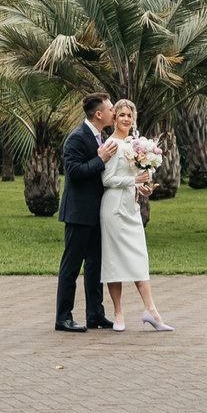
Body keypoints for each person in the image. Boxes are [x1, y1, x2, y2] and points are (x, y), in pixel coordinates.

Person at [99, 100, 171, 331]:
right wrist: (133, 181)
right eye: (121, 115)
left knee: (140, 258)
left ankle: (152, 311)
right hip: (113, 209)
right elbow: (106, 180)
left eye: (129, 115)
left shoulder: (136, 143)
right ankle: (118, 313)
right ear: (115, 118)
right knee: (113, 261)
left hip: (132, 208)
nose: (125, 119)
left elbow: (137, 177)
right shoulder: (111, 144)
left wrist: (143, 187)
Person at [55, 93, 118, 331]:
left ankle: (95, 314)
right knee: (71, 266)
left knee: (94, 266)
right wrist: (100, 159)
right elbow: (74, 172)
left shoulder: (101, 137)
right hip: (78, 214)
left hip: (96, 213)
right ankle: (63, 317)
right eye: (111, 109)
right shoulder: (76, 138)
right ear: (99, 114)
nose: (115, 112)